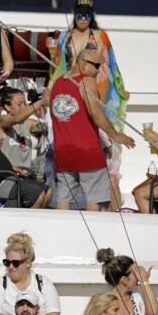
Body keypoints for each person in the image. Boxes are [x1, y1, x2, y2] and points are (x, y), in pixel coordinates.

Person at [49, 49, 135, 212]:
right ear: (83, 64)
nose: (98, 70)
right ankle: (92, 237)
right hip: (87, 150)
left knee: (63, 197)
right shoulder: (86, 81)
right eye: (96, 66)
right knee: (94, 199)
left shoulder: (57, 83)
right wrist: (115, 135)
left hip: (62, 150)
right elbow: (95, 111)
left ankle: (61, 232)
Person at [51, 0, 128, 134]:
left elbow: (111, 66)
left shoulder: (100, 36)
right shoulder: (64, 36)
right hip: (70, 87)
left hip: (92, 87)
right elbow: (58, 65)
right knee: (72, 127)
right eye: (80, 14)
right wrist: (51, 87)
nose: (83, 18)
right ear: (74, 14)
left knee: (95, 127)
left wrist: (120, 88)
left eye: (88, 15)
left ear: (92, 16)